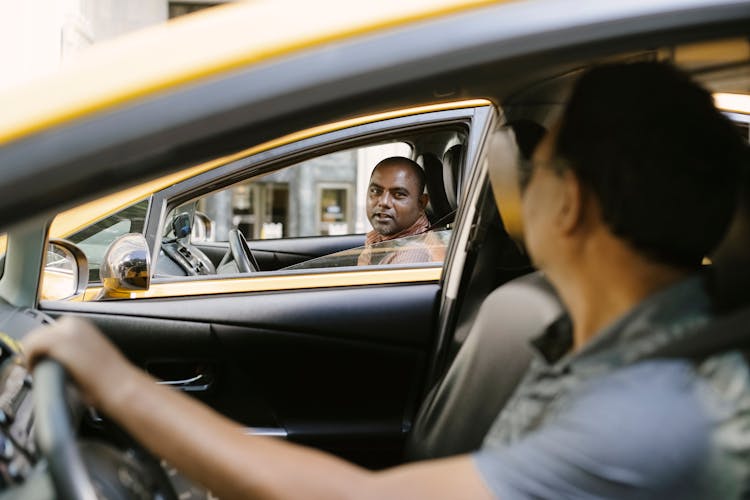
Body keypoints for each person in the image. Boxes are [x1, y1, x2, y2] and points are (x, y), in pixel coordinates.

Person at [24, 62, 750, 499]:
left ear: (572, 204)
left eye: (537, 164)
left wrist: (117, 384)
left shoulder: (651, 417)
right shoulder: (600, 341)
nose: (515, 184)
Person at [358, 156, 445, 265]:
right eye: (376, 191)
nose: (384, 202)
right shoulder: (380, 239)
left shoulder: (412, 255)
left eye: (399, 194)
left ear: (421, 203)